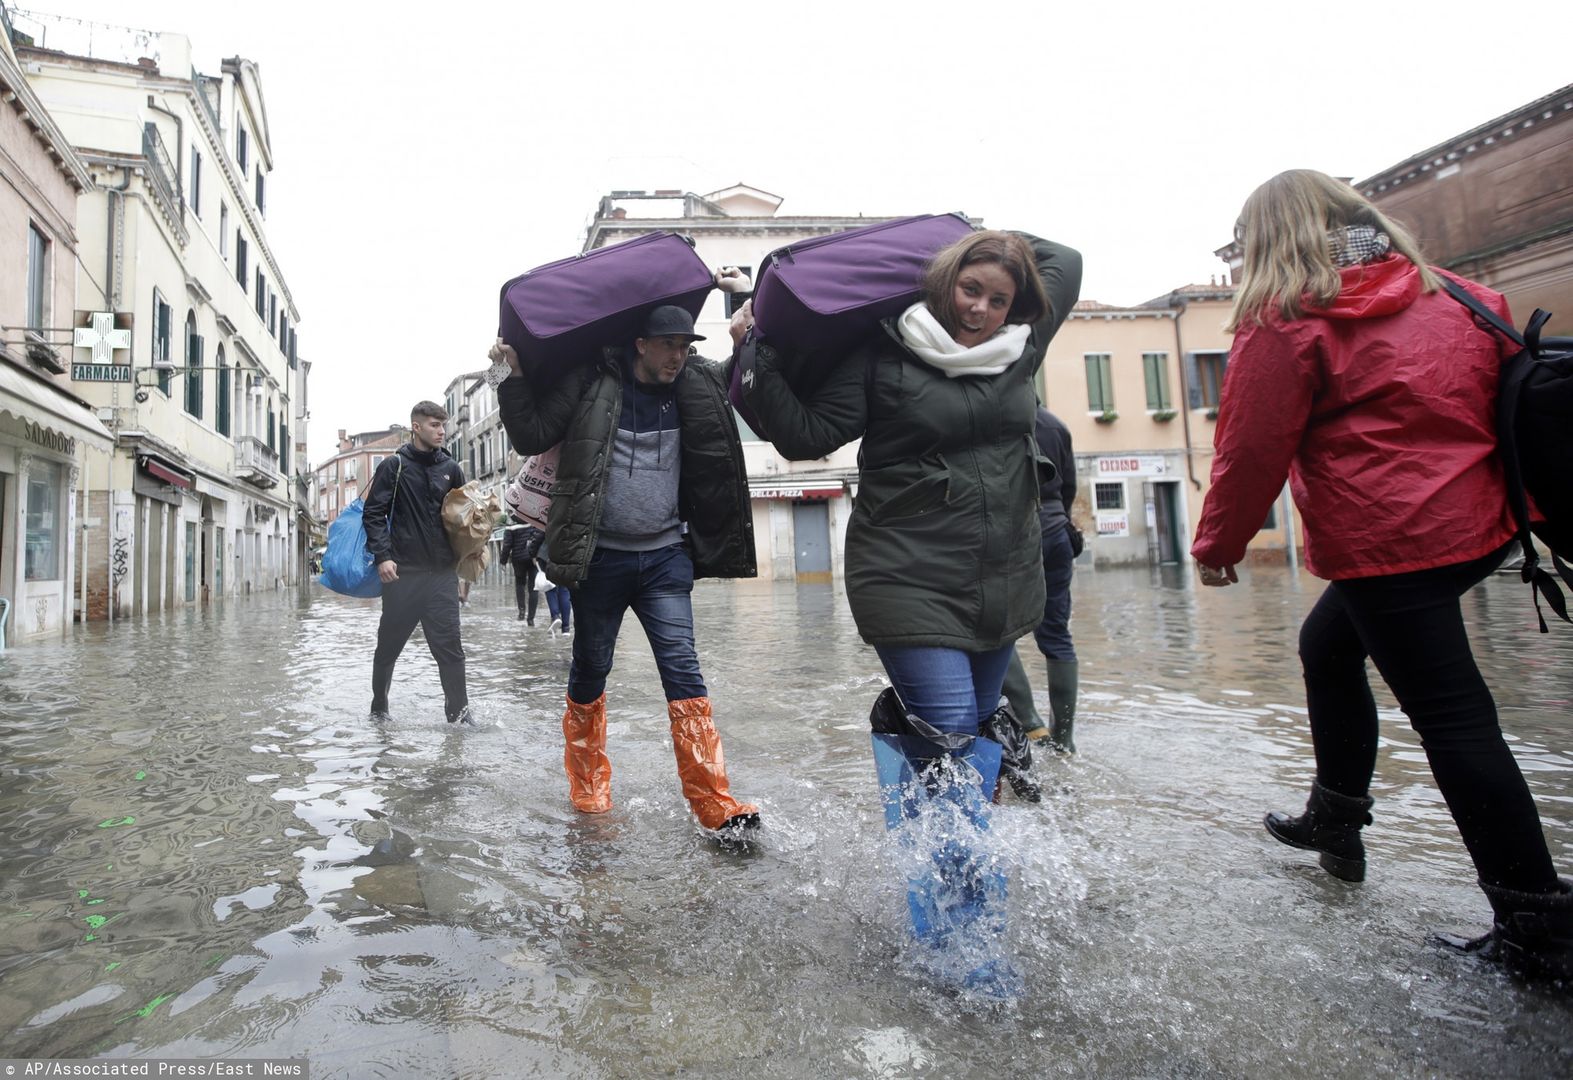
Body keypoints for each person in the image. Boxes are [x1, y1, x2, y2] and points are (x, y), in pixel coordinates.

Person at [1192, 169, 1571, 982]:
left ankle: (1535, 928)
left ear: (1267, 240)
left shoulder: (1287, 320)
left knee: (1454, 722)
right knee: (1325, 646)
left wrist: (1219, 543)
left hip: (1387, 543)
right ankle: (1334, 817)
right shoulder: (1463, 296)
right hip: (1479, 527)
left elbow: (1250, 446)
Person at [741, 229, 1081, 750]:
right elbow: (805, 436)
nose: (980, 310)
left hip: (1004, 580)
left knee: (980, 737)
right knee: (952, 736)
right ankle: (951, 832)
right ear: (945, 282)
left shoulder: (1020, 347)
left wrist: (963, 232)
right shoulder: (883, 354)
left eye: (998, 301)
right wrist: (754, 354)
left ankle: (923, 834)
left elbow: (1066, 257)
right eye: (970, 289)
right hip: (907, 576)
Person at [489, 300, 761, 835]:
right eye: (668, 347)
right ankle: (588, 785)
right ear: (641, 344)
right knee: (591, 669)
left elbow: (741, 384)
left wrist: (744, 339)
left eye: (686, 348)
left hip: (665, 558)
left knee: (684, 672)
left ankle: (714, 802)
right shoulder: (592, 382)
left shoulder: (694, 385)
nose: (678, 357)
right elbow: (530, 433)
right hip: (601, 560)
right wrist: (508, 374)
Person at [362, 401, 470, 724]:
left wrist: (467, 566)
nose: (441, 431)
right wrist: (383, 557)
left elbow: (464, 520)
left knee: (451, 650)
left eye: (443, 425)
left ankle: (460, 717)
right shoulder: (393, 467)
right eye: (435, 425)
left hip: (441, 578)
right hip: (402, 577)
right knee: (387, 650)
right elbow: (373, 514)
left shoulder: (451, 468)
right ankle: (379, 708)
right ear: (417, 427)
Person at [1000, 405, 1081, 755]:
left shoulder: (993, 417)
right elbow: (1068, 490)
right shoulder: (1056, 425)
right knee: (1057, 634)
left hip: (1010, 534)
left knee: (996, 629)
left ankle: (1032, 724)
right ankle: (1064, 739)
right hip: (1056, 531)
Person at [499, 517, 543, 623]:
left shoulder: (511, 527)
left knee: (520, 585)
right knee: (533, 588)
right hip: (532, 559)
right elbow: (539, 537)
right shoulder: (533, 522)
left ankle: (522, 612)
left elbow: (507, 545)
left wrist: (503, 561)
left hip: (518, 559)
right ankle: (531, 618)